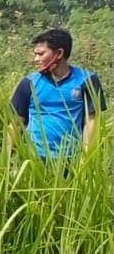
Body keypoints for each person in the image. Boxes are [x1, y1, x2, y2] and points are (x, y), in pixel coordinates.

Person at [9, 28, 104, 160]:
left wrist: (85, 158)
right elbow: (16, 123)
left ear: (59, 53)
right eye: (35, 54)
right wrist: (6, 161)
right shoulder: (29, 83)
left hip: (71, 159)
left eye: (41, 54)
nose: (36, 59)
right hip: (33, 158)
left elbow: (91, 121)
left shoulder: (87, 80)